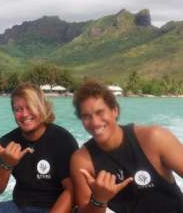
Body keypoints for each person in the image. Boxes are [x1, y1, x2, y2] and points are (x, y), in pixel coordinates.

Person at [70, 80, 183, 213]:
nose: (94, 122)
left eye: (100, 112)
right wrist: (99, 199)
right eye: (86, 116)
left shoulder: (154, 138)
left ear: (115, 111)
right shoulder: (82, 161)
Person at [0, 82, 78, 213]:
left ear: (42, 107)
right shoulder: (6, 143)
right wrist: (6, 165)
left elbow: (72, 191)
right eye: (18, 109)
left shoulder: (62, 140)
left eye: (30, 107)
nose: (24, 114)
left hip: (56, 207)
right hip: (19, 206)